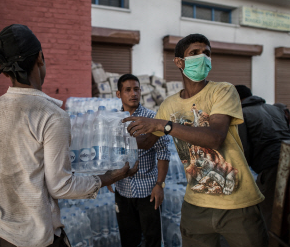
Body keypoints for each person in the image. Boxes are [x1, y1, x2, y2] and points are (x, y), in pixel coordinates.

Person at [0, 24, 138, 247]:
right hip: (34, 237)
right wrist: (109, 177)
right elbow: (60, 186)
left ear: (6, 70)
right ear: (40, 58)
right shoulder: (51, 114)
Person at [123, 34, 268, 247]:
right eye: (195, 53)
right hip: (195, 205)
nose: (203, 58)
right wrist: (117, 139)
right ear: (179, 62)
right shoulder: (169, 105)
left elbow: (215, 138)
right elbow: (147, 142)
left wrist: (164, 125)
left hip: (237, 202)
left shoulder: (223, 90)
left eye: (207, 53)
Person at [107, 74, 170, 247]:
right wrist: (108, 175)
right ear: (119, 94)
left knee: (152, 239)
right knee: (128, 239)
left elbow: (163, 153)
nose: (133, 93)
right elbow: (109, 150)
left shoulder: (152, 119)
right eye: (128, 90)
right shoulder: (113, 120)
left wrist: (159, 185)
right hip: (123, 189)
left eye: (136, 89)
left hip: (148, 192)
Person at [235, 85, 290, 230]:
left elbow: (243, 149)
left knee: (272, 213)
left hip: (272, 166)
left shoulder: (242, 114)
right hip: (287, 157)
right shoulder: (275, 109)